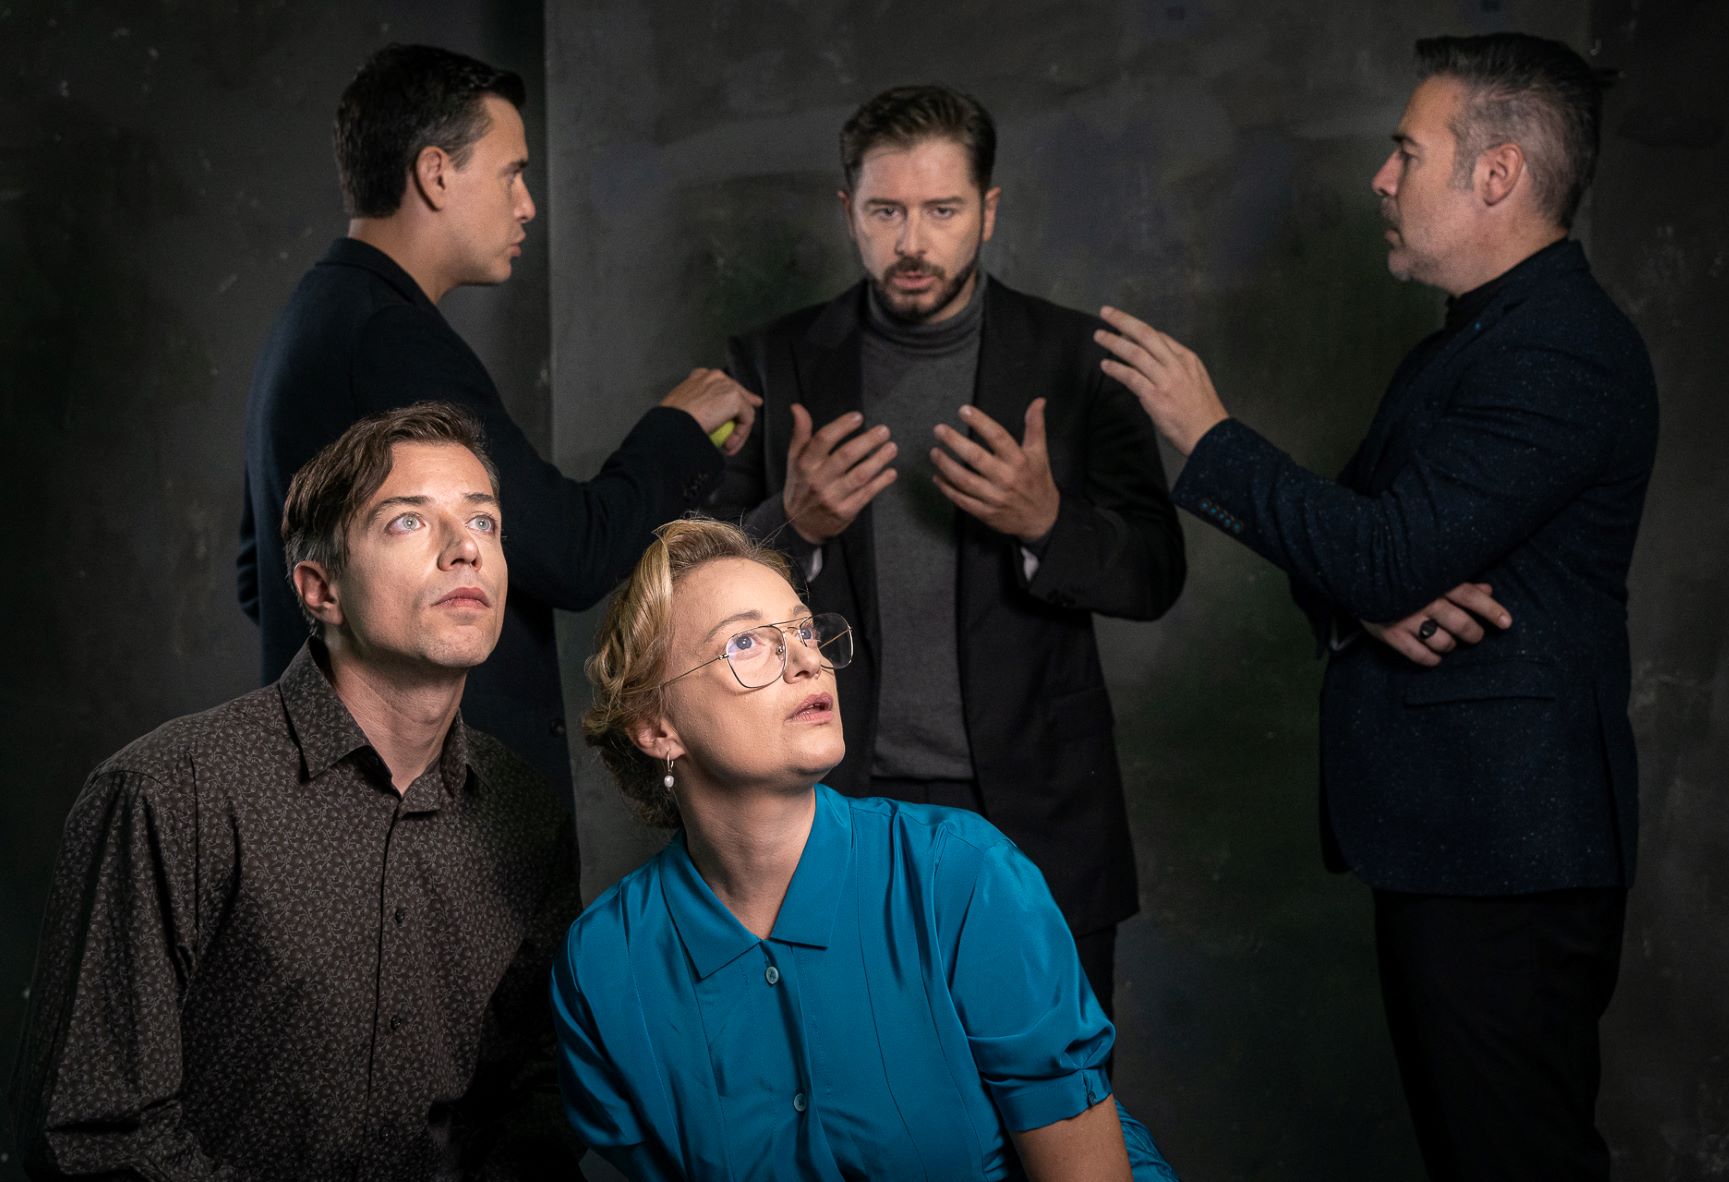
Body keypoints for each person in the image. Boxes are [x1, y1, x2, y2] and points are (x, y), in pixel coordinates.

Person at [1096, 33, 1656, 1181]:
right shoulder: (1457, 350)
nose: (1381, 178)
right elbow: (1352, 550)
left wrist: (1209, 433)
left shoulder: (1562, 351)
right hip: (1453, 845)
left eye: (1408, 151)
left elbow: (1375, 548)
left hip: (1510, 854)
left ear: (1496, 174)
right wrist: (1369, 599)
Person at [709, 85, 1187, 1015]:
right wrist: (792, 524)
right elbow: (692, 579)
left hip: (1038, 813)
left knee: (1049, 1093)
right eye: (885, 211)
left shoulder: (1076, 359)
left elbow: (1154, 573)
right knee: (854, 1091)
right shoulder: (771, 359)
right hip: (833, 808)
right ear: (847, 209)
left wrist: (1047, 523)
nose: (912, 242)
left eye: (941, 211)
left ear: (988, 210)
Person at [14, 404, 581, 1179]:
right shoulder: (169, 794)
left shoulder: (526, 815)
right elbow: (92, 1137)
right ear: (320, 589)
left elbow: (529, 1102)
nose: (466, 549)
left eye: (483, 521)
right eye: (409, 522)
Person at [552, 517, 1176, 1180]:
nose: (809, 661)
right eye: (746, 642)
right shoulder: (602, 965)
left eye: (804, 631)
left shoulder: (961, 875)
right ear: (655, 727)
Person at [239, 43, 759, 798]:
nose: (526, 205)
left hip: (344, 787)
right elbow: (571, 553)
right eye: (511, 173)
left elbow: (257, 577)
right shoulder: (392, 338)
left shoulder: (312, 315)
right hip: (427, 799)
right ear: (435, 173)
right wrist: (678, 428)